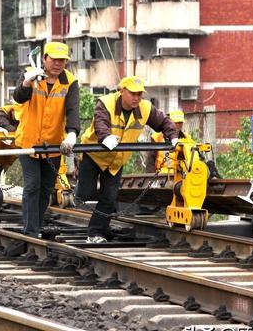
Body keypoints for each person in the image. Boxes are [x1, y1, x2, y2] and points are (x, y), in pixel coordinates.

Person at [76, 76, 179, 243]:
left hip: (116, 160)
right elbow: (100, 123)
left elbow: (163, 122)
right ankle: (80, 192)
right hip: (95, 155)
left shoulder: (145, 108)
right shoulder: (106, 103)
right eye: (133, 93)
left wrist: (173, 137)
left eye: (139, 94)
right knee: (85, 194)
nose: (137, 98)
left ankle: (96, 233)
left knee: (109, 197)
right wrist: (106, 137)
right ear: (122, 91)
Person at [14, 42, 80, 236]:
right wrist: (27, 82)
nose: (58, 64)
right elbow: (19, 97)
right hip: (29, 142)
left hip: (53, 144)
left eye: (62, 60)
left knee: (46, 188)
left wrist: (72, 134)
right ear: (44, 58)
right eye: (54, 59)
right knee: (33, 185)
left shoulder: (69, 82)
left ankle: (36, 224)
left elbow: (72, 110)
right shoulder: (31, 75)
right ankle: (30, 230)